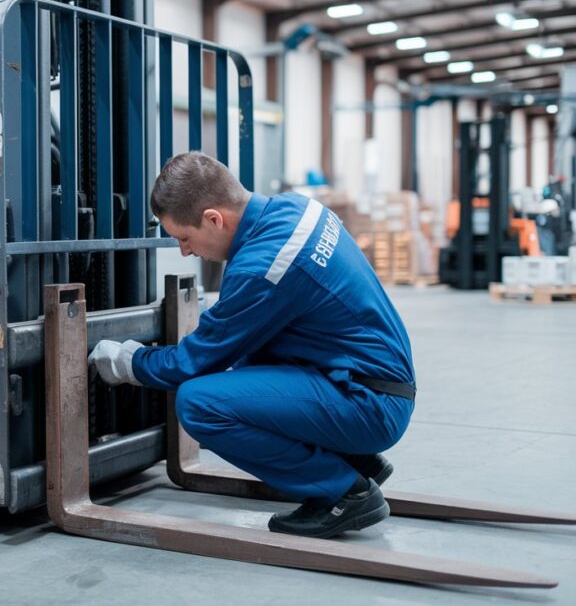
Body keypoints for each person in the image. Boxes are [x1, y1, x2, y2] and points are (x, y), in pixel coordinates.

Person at [88, 152, 416, 539]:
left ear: (214, 218)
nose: (185, 252)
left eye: (184, 237)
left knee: (199, 402)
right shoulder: (296, 209)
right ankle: (355, 460)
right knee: (244, 367)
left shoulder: (264, 267)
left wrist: (129, 361)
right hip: (373, 383)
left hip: (369, 404)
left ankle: (344, 491)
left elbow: (192, 362)